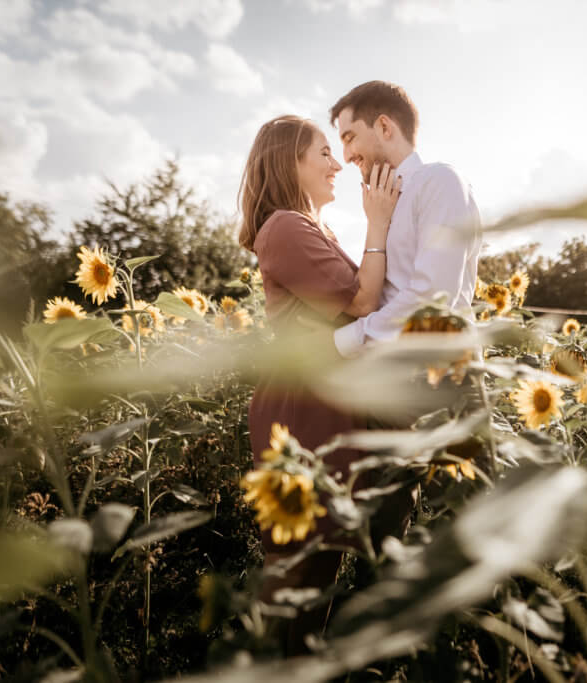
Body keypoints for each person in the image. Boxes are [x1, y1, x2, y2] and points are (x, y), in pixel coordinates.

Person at [237, 114, 401, 651]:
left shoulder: (310, 227)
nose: (337, 165)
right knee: (304, 572)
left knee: (325, 561)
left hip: (324, 400)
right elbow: (360, 303)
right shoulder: (285, 226)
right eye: (324, 154)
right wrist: (377, 222)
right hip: (302, 408)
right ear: (291, 163)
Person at [328, 81, 483, 359]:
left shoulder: (440, 182)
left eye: (349, 138)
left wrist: (338, 343)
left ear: (385, 128)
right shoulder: (381, 205)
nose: (347, 156)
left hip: (443, 380)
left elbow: (433, 300)